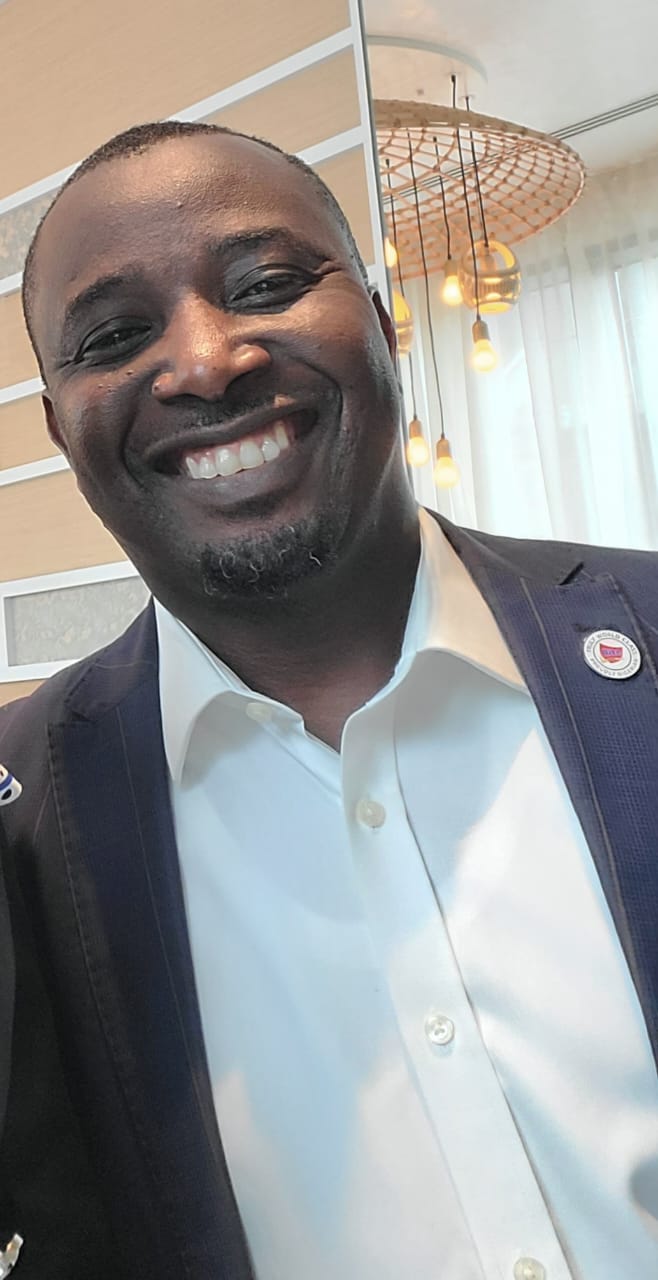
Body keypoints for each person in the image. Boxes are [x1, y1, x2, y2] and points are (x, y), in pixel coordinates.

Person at [0, 119, 657, 1280]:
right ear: (61, 426)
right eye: (113, 335)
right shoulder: (25, 817)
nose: (206, 360)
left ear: (382, 318)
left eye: (264, 284)